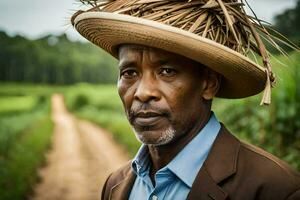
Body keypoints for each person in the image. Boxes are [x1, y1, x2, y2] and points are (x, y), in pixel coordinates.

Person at [71, 0, 300, 199]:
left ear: (209, 84)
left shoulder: (276, 189)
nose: (142, 92)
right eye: (129, 73)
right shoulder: (115, 186)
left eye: (167, 71)